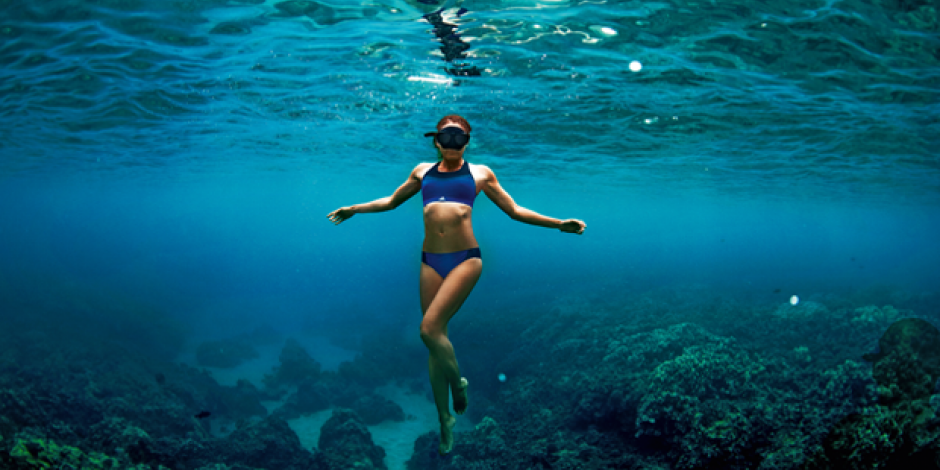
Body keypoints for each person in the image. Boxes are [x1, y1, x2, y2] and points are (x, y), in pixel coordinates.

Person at [327, 115, 586, 455]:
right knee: (436, 341)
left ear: (467, 141)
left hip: (466, 259)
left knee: (428, 329)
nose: (451, 144)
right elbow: (390, 201)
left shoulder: (481, 173)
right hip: (429, 262)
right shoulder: (422, 172)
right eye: (445, 138)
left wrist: (558, 224)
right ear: (436, 141)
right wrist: (354, 209)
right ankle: (444, 419)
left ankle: (458, 386)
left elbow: (515, 210)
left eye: (458, 138)